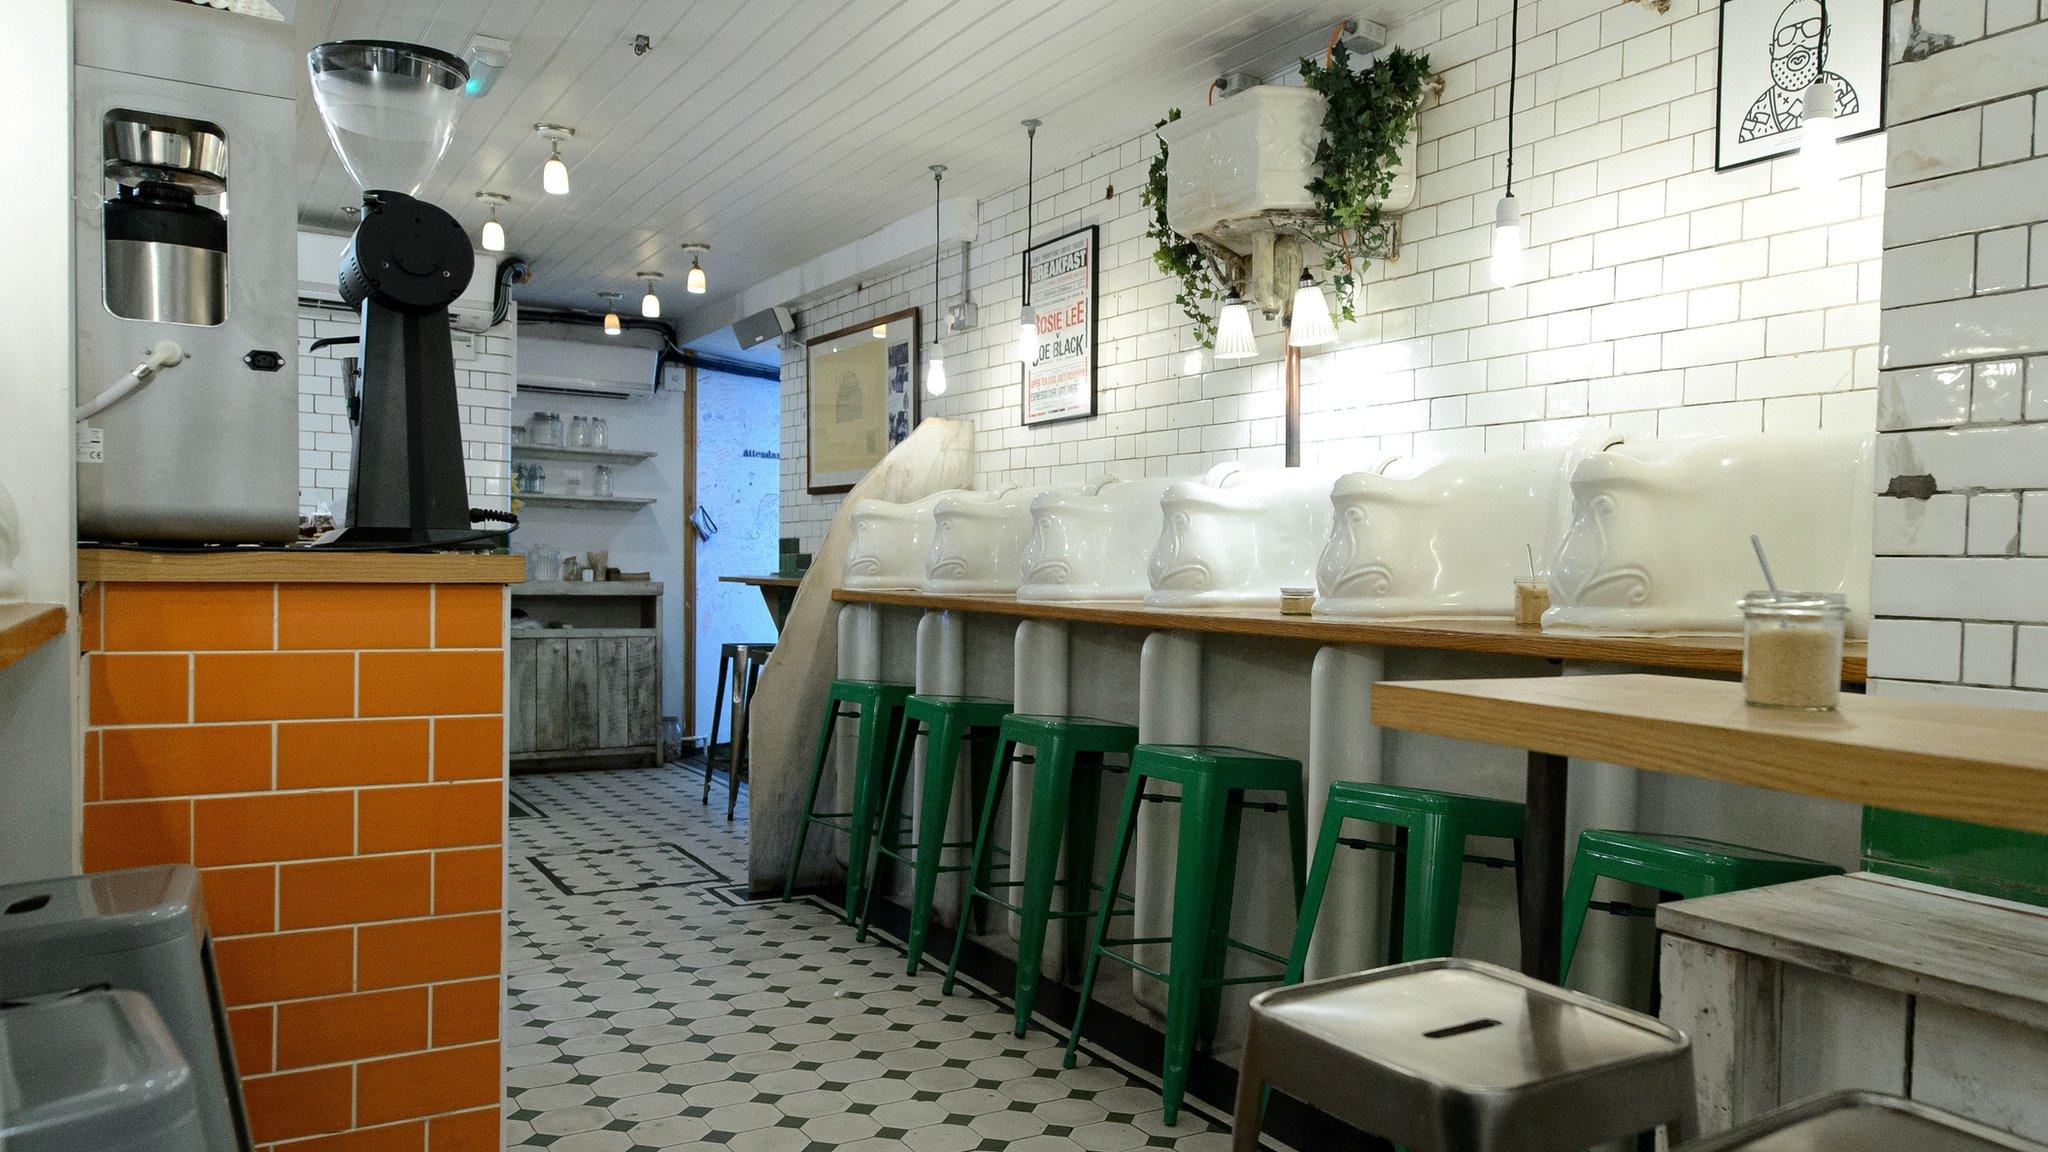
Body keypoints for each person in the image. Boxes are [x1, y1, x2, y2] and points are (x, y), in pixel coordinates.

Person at [1739, 0, 1859, 142]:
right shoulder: (1758, 114)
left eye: (1810, 29)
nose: (1798, 41)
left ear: (1827, 33)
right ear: (1772, 50)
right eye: (1786, 36)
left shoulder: (1842, 93)